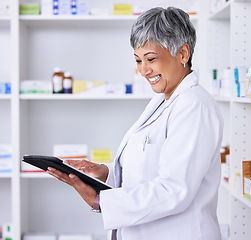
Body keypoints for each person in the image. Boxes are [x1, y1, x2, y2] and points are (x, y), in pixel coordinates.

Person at [47, 6, 224, 240]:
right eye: (138, 60)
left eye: (150, 59)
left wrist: (101, 201)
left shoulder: (194, 106)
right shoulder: (164, 100)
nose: (143, 70)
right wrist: (106, 172)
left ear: (183, 54)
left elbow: (174, 190)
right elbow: (148, 167)